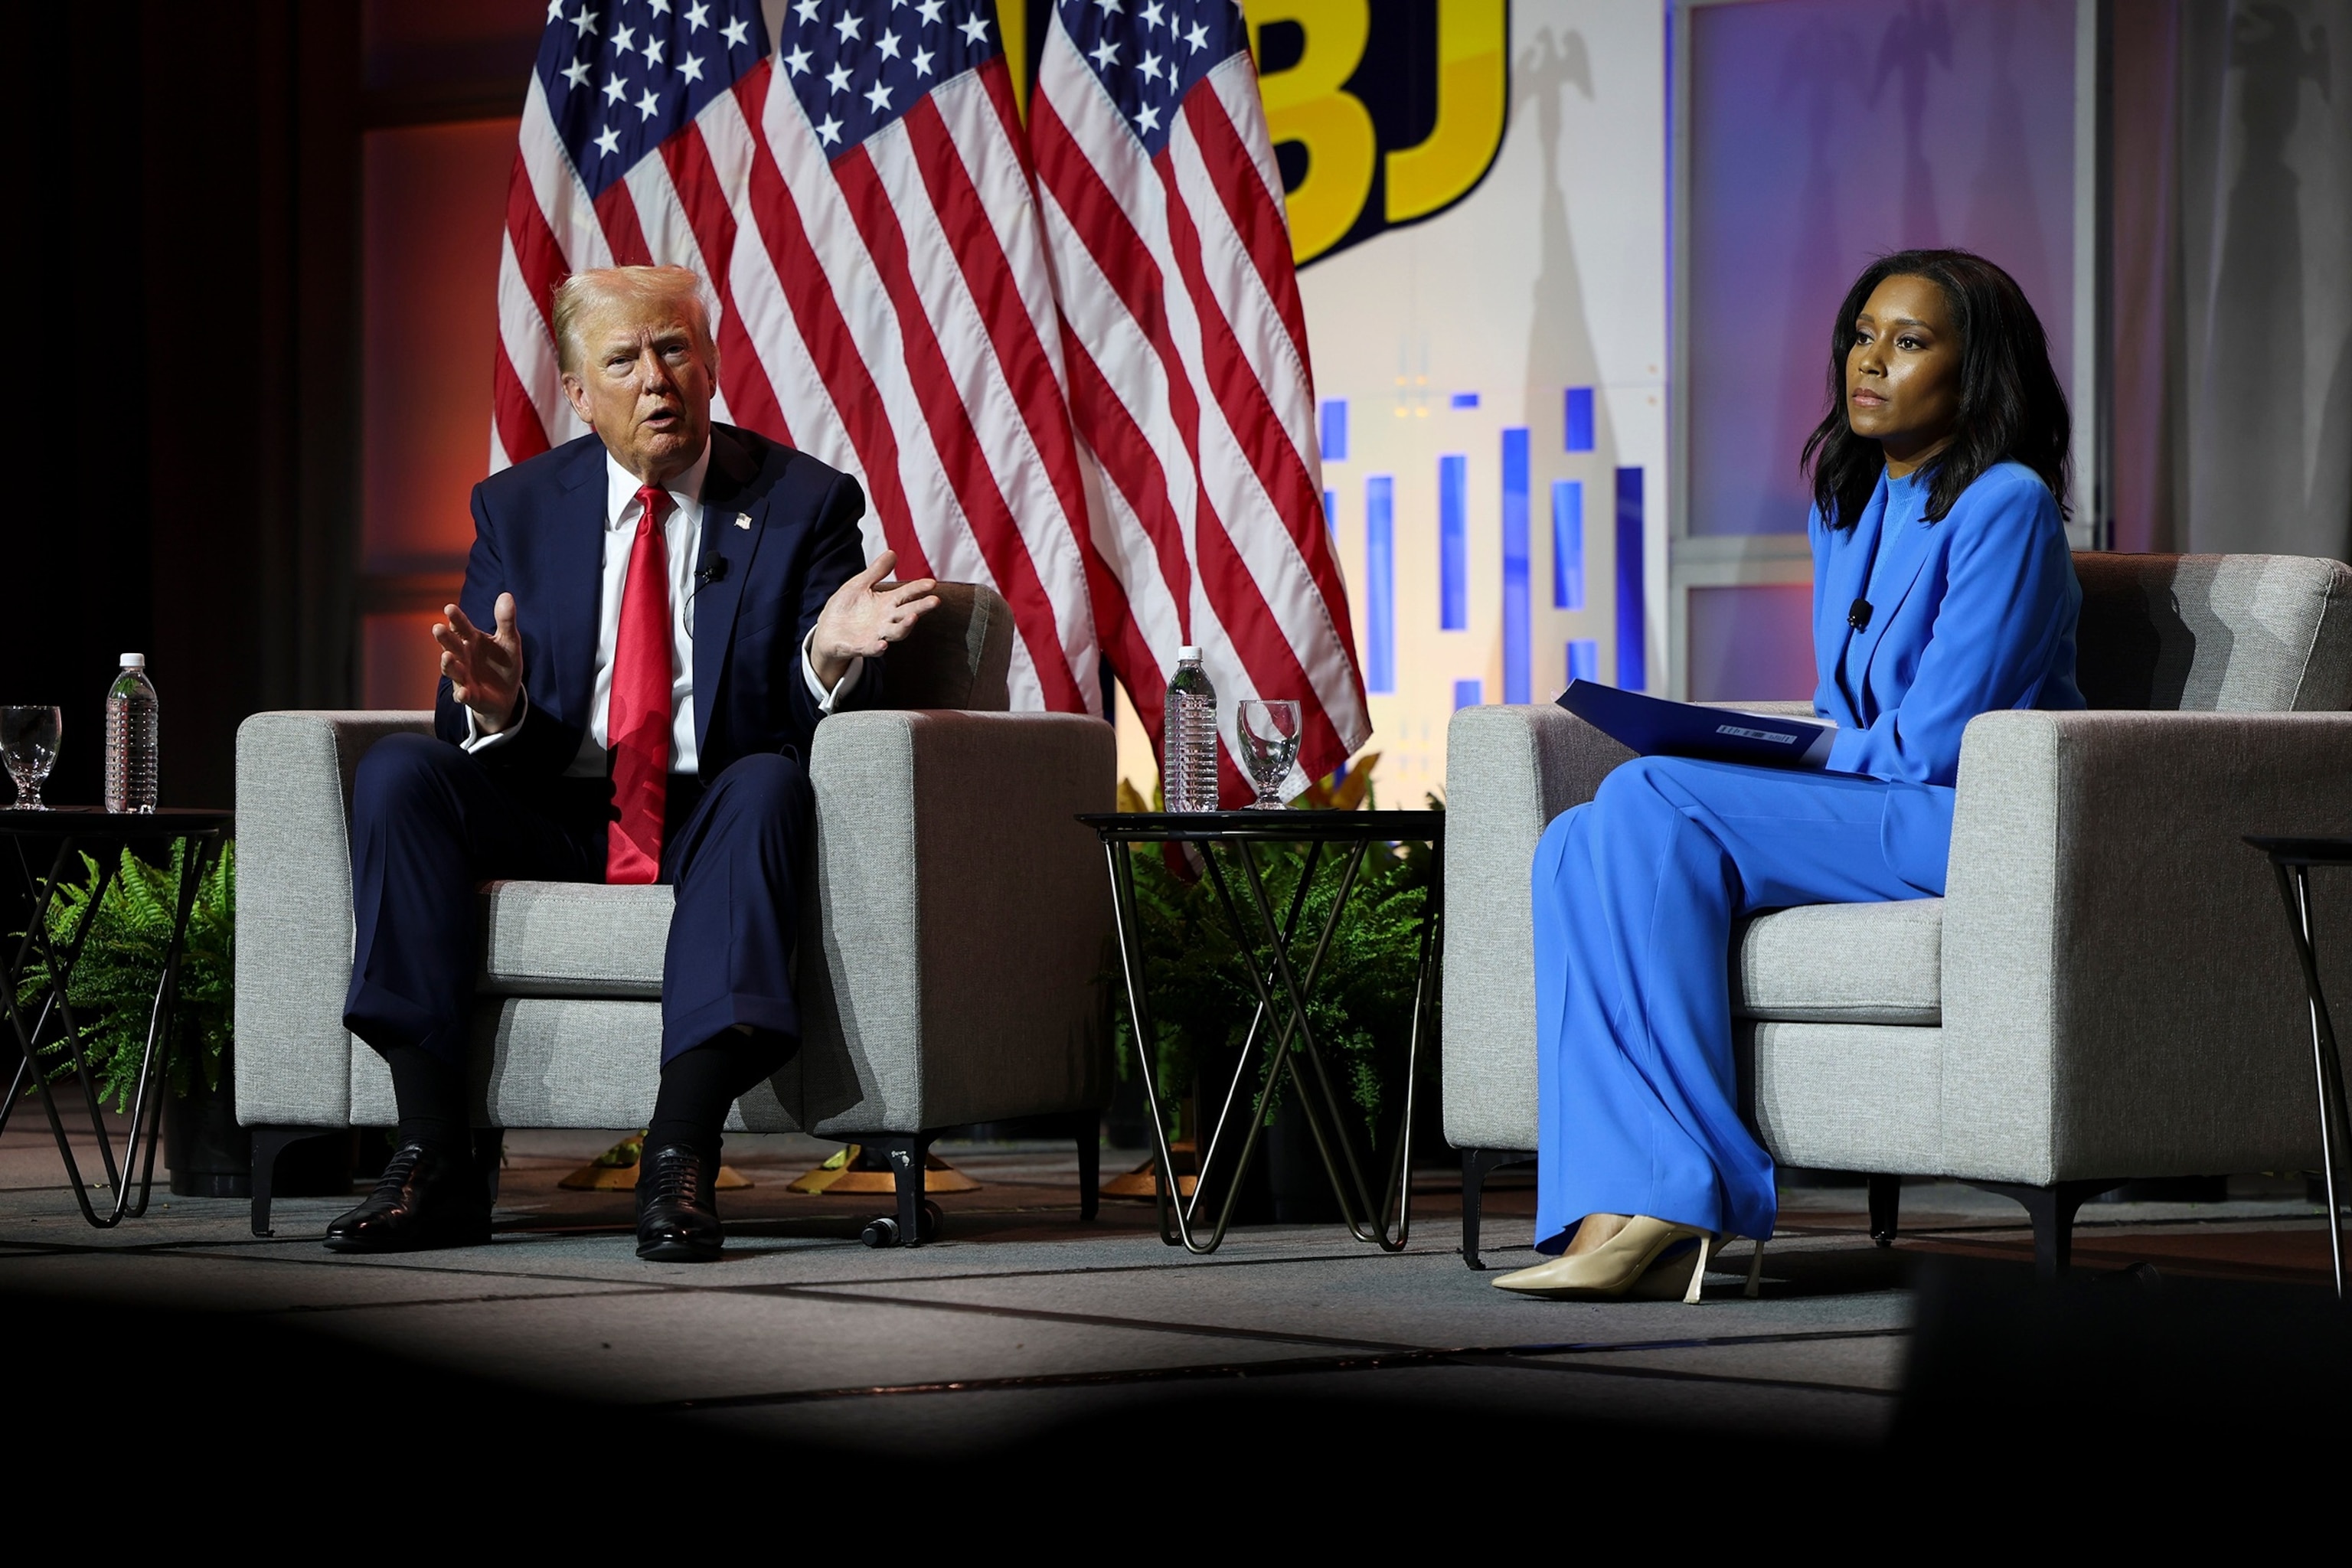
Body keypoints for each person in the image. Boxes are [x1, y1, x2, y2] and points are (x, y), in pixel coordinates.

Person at [1495, 250, 2082, 1300]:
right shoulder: (1846, 502)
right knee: (1574, 842)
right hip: (1869, 800)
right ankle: (1605, 1200)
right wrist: (1767, 744)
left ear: (1975, 371)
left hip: (1963, 817)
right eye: (1863, 336)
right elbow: (1845, 707)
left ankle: (1688, 1190)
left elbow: (1935, 744)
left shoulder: (2008, 505)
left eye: (1909, 343)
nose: (1872, 362)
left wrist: (1786, 754)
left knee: (1645, 793)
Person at [325, 265, 939, 1262]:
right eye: (624, 360)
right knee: (400, 773)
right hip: (558, 803)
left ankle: (678, 1158)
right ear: (577, 390)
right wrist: (497, 704)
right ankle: (433, 1158)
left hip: (718, 813)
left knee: (770, 783)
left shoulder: (804, 504)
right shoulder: (516, 510)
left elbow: (818, 717)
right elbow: (464, 708)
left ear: (709, 363)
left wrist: (825, 656)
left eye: (675, 350)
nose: (657, 378)